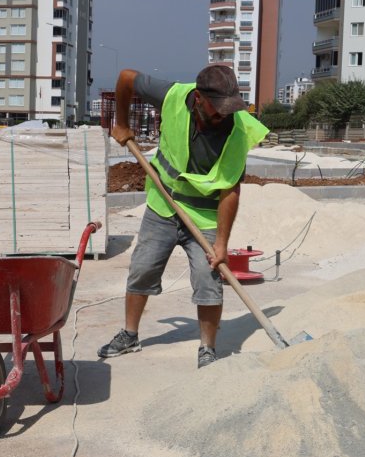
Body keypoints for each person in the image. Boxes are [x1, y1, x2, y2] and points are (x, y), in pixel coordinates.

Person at [98, 65, 269, 368]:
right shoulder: (173, 95)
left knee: (209, 279)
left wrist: (221, 244)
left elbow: (230, 190)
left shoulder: (237, 130)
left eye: (229, 110)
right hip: (163, 204)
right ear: (199, 99)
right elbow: (125, 77)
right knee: (142, 268)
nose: (224, 116)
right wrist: (121, 123)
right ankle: (130, 334)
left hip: (202, 215)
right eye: (218, 109)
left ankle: (207, 348)